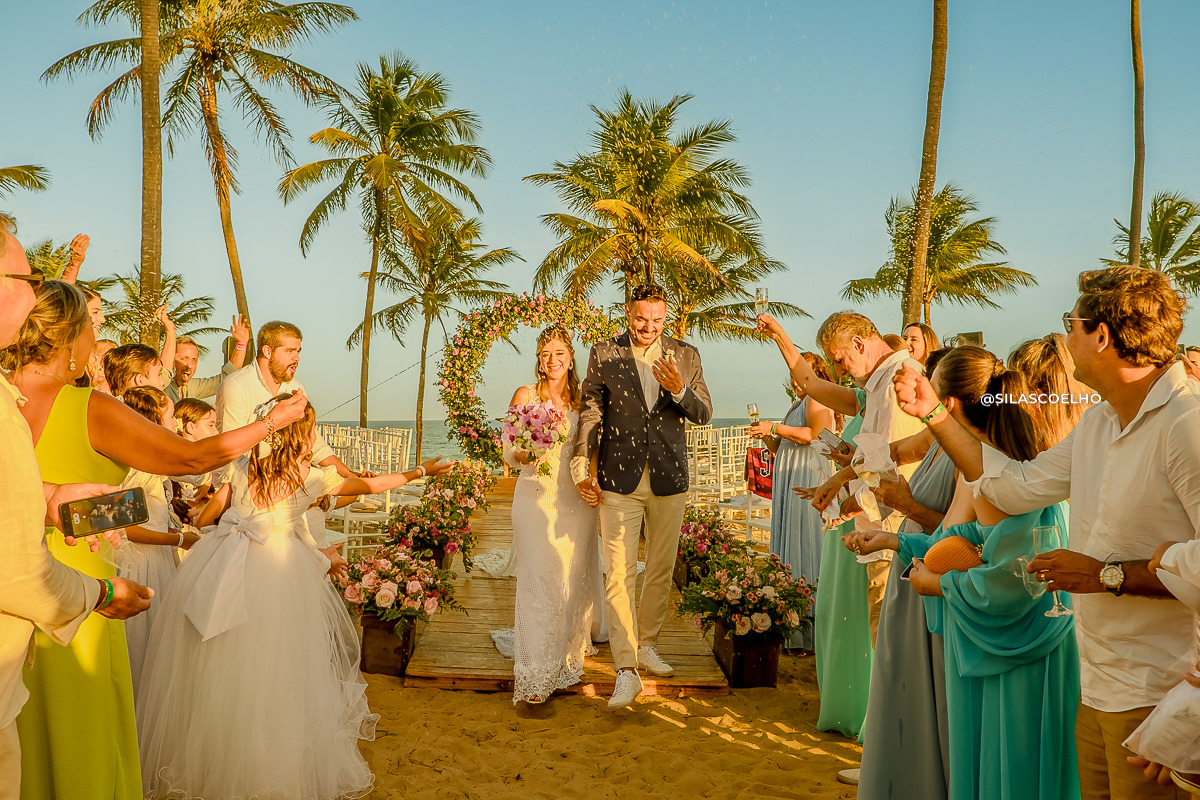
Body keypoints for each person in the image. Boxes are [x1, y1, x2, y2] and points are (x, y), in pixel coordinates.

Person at [893, 265, 1200, 800]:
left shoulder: (1185, 425)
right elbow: (1013, 487)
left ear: (1101, 335)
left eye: (1071, 324)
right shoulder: (1100, 423)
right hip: (1095, 683)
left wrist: (1105, 575)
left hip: (1160, 691)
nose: (1065, 337)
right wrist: (937, 415)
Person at [6, 279, 307, 800]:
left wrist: (103, 509)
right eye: (91, 330)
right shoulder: (89, 408)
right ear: (73, 339)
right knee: (85, 735)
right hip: (77, 592)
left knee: (20, 736)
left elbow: (45, 503)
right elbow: (191, 458)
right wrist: (271, 422)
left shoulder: (7, 402)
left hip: (16, 584)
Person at [137, 396, 450, 799]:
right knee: (277, 667)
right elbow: (370, 485)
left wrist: (201, 519)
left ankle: (215, 762)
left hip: (223, 559)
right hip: (277, 572)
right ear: (302, 434)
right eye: (313, 429)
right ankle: (269, 769)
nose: (316, 436)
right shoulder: (312, 477)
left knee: (220, 664)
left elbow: (218, 506)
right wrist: (419, 471)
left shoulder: (247, 463)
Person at [853, 346, 1080, 800]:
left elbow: (1010, 581)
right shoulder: (994, 464)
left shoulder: (1000, 471)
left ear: (949, 404)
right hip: (990, 646)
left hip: (1014, 652)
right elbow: (969, 539)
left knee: (1009, 769)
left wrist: (937, 583)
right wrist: (898, 540)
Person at [0, 214, 151, 799]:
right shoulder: (87, 409)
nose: (35, 291)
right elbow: (15, 570)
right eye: (25, 277)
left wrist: (52, 501)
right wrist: (102, 595)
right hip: (69, 590)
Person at [572, 284, 712, 708]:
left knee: (661, 567)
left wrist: (678, 391)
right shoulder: (603, 353)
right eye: (639, 319)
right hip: (619, 479)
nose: (648, 327)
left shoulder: (686, 354)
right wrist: (582, 464)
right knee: (618, 573)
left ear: (665, 317)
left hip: (670, 476)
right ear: (627, 314)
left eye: (656, 320)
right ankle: (626, 669)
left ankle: (648, 644)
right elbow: (590, 410)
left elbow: (703, 412)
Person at [758, 311, 926, 642]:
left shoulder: (899, 382)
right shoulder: (877, 383)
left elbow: (896, 465)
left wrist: (849, 504)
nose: (839, 371)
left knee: (888, 638)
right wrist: (779, 336)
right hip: (880, 533)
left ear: (859, 343)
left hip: (893, 536)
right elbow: (814, 385)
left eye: (839, 360)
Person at [491, 325, 605, 704]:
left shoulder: (584, 399)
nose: (552, 361)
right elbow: (507, 447)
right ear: (538, 360)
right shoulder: (526, 395)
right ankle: (535, 671)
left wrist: (594, 483)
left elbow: (593, 447)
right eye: (545, 354)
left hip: (575, 500)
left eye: (559, 353)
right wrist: (521, 455)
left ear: (571, 356)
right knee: (538, 578)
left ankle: (564, 657)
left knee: (571, 580)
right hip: (534, 495)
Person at [215, 320, 359, 569]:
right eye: (290, 351)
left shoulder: (296, 388)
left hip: (288, 492)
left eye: (298, 351)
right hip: (247, 497)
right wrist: (281, 488)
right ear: (267, 351)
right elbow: (232, 452)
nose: (297, 358)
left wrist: (346, 472)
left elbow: (313, 441)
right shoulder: (236, 386)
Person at [116, 387, 201, 696]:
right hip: (140, 563)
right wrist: (179, 538)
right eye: (170, 416)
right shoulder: (138, 466)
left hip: (159, 561)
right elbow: (125, 528)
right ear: (153, 419)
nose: (176, 425)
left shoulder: (150, 460)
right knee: (141, 652)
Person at [747, 358, 836, 651]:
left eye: (800, 377)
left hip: (805, 475)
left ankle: (805, 627)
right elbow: (786, 445)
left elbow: (813, 434)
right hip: (789, 475)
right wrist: (770, 436)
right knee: (790, 537)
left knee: (803, 538)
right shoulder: (798, 405)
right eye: (793, 378)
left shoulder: (816, 399)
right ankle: (789, 621)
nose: (796, 383)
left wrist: (774, 425)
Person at [162, 316, 250, 404]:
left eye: (194, 360)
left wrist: (241, 344)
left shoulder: (192, 387)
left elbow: (225, 379)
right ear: (171, 359)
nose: (189, 365)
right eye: (184, 358)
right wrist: (170, 331)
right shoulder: (161, 385)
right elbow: (164, 372)